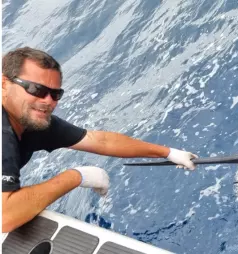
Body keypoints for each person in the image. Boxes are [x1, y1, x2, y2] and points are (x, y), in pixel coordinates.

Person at [2, 47, 198, 233]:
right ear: (4, 84)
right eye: (36, 89)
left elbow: (100, 141)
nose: (47, 100)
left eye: (55, 94)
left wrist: (170, 153)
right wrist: (77, 176)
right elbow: (4, 217)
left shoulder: (31, 119)